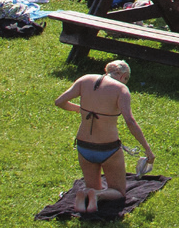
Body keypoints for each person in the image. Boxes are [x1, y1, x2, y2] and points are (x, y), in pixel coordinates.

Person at [54, 60, 156, 213]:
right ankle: (96, 195)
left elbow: (60, 101)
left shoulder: (85, 79)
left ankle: (89, 193)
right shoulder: (121, 89)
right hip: (107, 147)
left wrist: (81, 110)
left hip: (84, 146)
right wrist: (148, 150)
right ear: (123, 76)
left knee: (92, 185)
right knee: (119, 192)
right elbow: (130, 121)